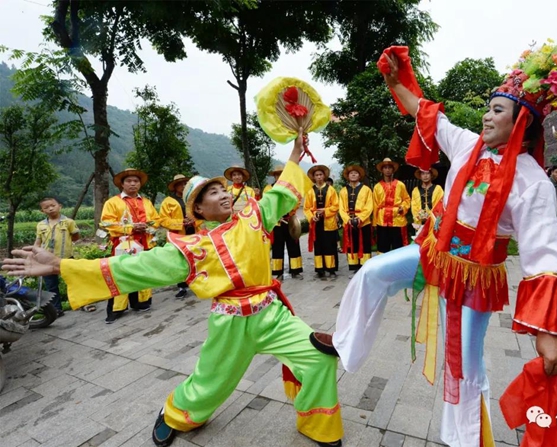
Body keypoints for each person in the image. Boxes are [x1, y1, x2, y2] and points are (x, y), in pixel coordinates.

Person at [311, 38, 557, 446]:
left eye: (497, 110)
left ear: (522, 123)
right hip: (433, 251)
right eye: (488, 107)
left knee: (462, 366)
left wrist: (548, 332)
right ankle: (344, 343)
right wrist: (395, 80)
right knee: (372, 272)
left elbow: (543, 256)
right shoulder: (467, 144)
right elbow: (423, 112)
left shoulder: (532, 182)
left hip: (475, 277)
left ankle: (466, 440)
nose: (486, 115)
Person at [3, 131, 344, 447]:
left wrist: (296, 154)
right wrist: (61, 265)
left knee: (318, 356)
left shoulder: (254, 216)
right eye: (213, 192)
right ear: (197, 208)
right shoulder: (191, 247)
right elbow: (134, 267)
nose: (224, 193)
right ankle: (176, 414)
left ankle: (317, 424)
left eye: (223, 188)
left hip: (273, 314)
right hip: (230, 325)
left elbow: (283, 190)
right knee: (210, 383)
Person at [101, 168, 160, 323]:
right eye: (129, 181)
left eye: (136, 181)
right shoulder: (112, 202)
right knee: (121, 274)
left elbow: (156, 220)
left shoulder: (146, 202)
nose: (133, 184)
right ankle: (117, 308)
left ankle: (141, 302)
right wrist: (130, 228)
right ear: (122, 184)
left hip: (145, 243)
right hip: (123, 245)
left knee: (143, 272)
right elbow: (108, 223)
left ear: (140, 184)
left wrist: (147, 227)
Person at [34, 197, 82, 316]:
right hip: (47, 260)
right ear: (42, 211)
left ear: (59, 206)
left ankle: (81, 303)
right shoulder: (40, 225)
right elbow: (38, 241)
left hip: (66, 258)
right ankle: (57, 310)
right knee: (51, 286)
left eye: (53, 205)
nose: (50, 209)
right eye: (46, 207)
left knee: (73, 282)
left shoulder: (68, 222)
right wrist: (35, 253)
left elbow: (76, 237)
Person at [159, 174, 203, 298]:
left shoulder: (192, 199)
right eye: (181, 184)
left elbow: (202, 215)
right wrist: (180, 223)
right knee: (181, 260)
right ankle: (182, 286)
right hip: (178, 235)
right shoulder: (168, 201)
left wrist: (194, 221)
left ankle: (197, 283)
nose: (184, 186)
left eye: (186, 184)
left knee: (195, 259)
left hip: (193, 233)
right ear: (175, 187)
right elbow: (162, 219)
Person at [264, 165, 303, 280]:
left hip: (289, 221)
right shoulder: (268, 189)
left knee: (293, 245)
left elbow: (297, 200)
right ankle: (278, 272)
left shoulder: (291, 188)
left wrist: (291, 212)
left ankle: (296, 270)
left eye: (281, 174)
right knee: (277, 247)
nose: (279, 176)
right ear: (274, 176)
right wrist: (275, 216)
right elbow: (266, 204)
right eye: (277, 174)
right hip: (276, 223)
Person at [304, 165, 339, 279]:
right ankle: (320, 269)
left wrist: (325, 211)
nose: (319, 177)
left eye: (320, 174)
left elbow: (336, 205)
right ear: (314, 177)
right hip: (316, 223)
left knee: (330, 246)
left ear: (324, 176)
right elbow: (306, 208)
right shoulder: (310, 192)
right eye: (316, 175)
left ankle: (331, 269)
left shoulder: (331, 190)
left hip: (328, 222)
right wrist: (312, 216)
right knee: (318, 246)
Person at [338, 165, 373, 279]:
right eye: (351, 173)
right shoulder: (343, 191)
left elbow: (369, 206)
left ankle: (365, 267)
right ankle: (354, 268)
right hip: (348, 222)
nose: (353, 175)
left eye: (355, 173)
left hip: (363, 222)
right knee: (351, 244)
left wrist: (360, 218)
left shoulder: (366, 189)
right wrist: (347, 219)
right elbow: (341, 208)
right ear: (347, 176)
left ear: (359, 175)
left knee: (365, 244)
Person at [372, 158, 411, 253]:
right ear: (382, 170)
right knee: (382, 246)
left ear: (393, 170)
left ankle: (398, 267)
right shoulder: (377, 187)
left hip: (397, 218)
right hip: (382, 220)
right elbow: (375, 205)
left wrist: (403, 207)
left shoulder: (400, 185)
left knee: (398, 245)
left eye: (390, 167)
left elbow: (407, 199)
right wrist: (374, 222)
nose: (388, 170)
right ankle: (382, 266)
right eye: (385, 167)